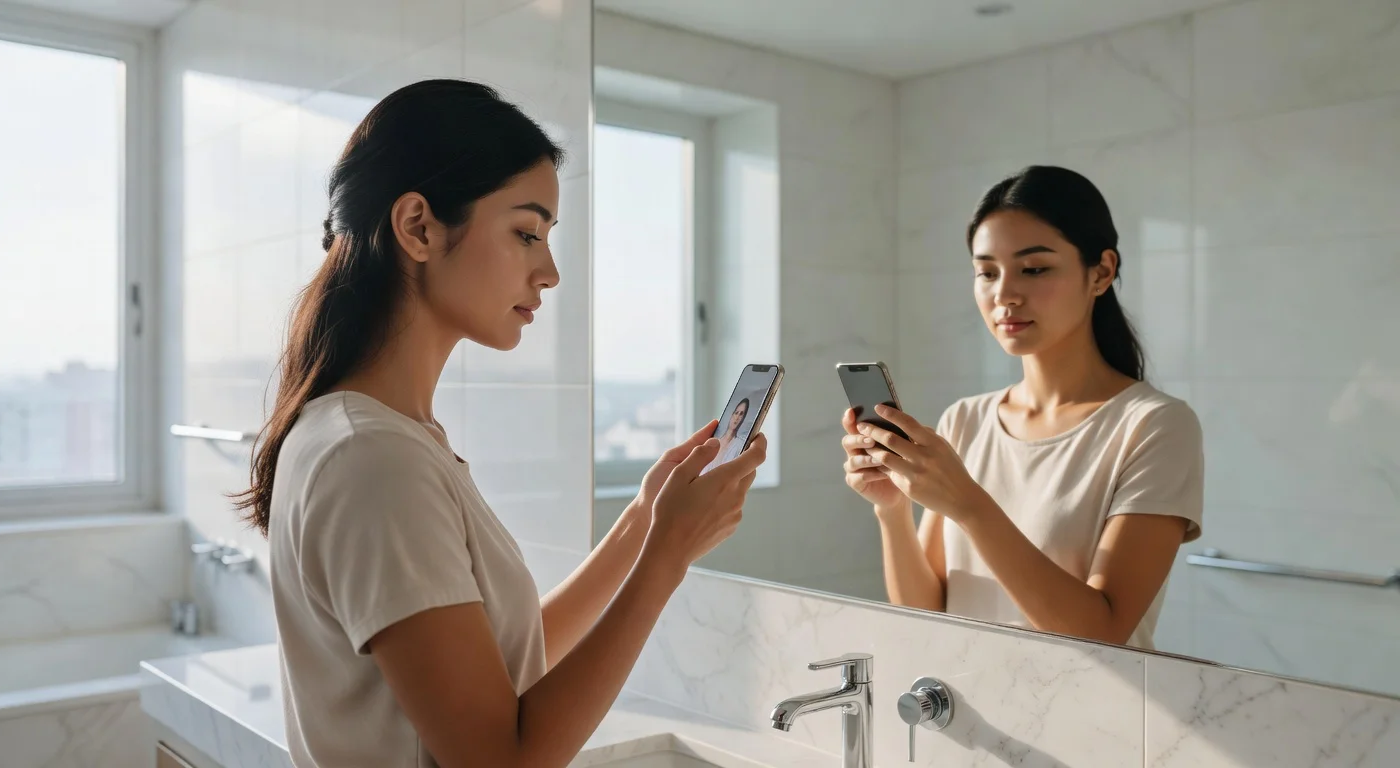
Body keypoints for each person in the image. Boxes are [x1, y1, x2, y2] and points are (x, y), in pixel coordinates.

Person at [234, 80, 766, 768]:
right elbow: (501, 759)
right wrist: (663, 560)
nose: (548, 271)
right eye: (525, 233)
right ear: (418, 227)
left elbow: (499, 666)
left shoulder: (382, 437)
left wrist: (643, 524)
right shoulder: (372, 459)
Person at [840, 166, 1203, 649]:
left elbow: (1104, 631)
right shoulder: (965, 419)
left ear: (1101, 272)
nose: (1004, 295)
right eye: (986, 272)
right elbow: (926, 615)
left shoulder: (1154, 426)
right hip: (969, 708)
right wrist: (892, 511)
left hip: (1094, 718)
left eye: (1034, 269)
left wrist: (969, 504)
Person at [712, 397, 750, 466]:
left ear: (743, 419)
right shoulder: (714, 441)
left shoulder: (739, 445)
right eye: (736, 413)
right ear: (732, 415)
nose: (737, 417)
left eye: (741, 414)